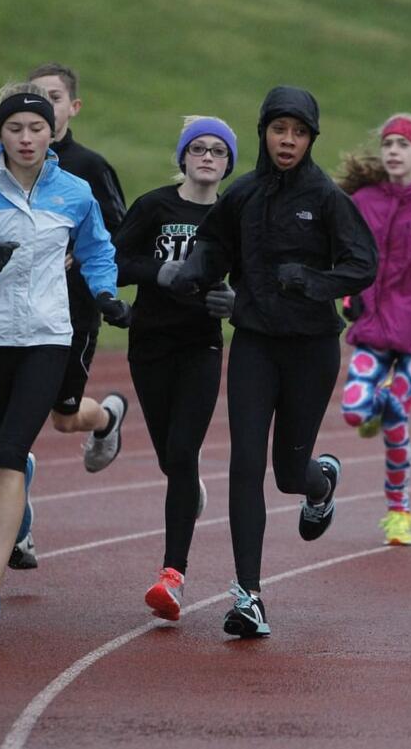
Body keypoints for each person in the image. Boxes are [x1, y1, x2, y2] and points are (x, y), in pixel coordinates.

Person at [0, 83, 130, 635]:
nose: (27, 138)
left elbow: (99, 249)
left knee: (9, 456)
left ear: (51, 131)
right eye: (15, 129)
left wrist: (105, 294)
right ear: (2, 135)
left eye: (36, 128)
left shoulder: (74, 192)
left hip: (46, 339)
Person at [172, 86, 377, 637]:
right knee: (245, 463)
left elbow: (363, 264)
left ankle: (320, 483)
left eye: (299, 132)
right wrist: (196, 271)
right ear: (264, 131)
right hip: (256, 342)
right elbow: (214, 246)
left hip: (311, 348)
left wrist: (313, 282)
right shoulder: (243, 194)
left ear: (311, 138)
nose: (288, 140)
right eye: (279, 129)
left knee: (289, 473)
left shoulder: (326, 197)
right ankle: (248, 596)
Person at [113, 115, 239, 621]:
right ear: (183, 156)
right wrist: (158, 271)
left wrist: (235, 300)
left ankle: (172, 575)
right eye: (198, 149)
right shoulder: (154, 206)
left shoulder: (234, 214)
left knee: (184, 453)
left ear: (229, 164)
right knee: (171, 457)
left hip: (201, 347)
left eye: (218, 152)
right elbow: (115, 261)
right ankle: (187, 490)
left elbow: (252, 269)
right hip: (150, 343)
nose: (207, 157)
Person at [25, 64, 128, 570]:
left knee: (64, 417)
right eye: (36, 98)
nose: (45, 106)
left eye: (55, 97)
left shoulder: (90, 166)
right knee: (8, 420)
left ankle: (106, 416)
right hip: (15, 312)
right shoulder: (6, 164)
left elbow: (119, 235)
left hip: (73, 311)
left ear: (72, 107)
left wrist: (79, 250)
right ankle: (17, 528)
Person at [336, 113, 411, 546]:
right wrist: (349, 297)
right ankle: (375, 406)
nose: (393, 152)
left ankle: (399, 512)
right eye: (388, 144)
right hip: (372, 328)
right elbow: (345, 253)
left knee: (398, 416)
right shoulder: (363, 201)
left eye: (403, 144)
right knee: (351, 410)